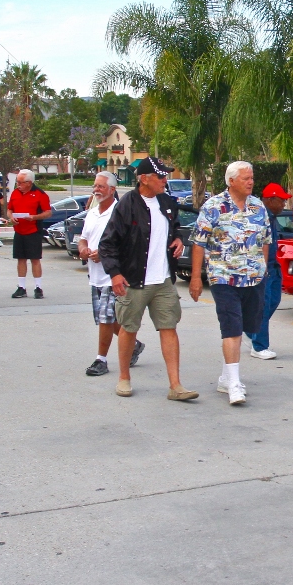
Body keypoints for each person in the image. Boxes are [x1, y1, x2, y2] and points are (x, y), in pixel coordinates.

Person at [97, 156, 196, 402]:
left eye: (166, 175)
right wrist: (115, 274)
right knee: (129, 328)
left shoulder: (167, 202)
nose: (165, 180)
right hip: (134, 279)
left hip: (163, 280)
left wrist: (178, 239)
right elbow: (107, 244)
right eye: (160, 176)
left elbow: (174, 227)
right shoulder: (127, 204)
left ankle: (175, 385)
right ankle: (124, 378)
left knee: (169, 327)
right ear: (143, 179)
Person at [188, 161, 271, 406]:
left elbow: (265, 239)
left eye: (252, 178)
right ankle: (234, 384)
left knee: (245, 326)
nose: (251, 182)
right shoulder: (213, 206)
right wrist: (195, 277)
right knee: (231, 327)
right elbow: (198, 243)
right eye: (246, 178)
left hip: (253, 277)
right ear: (231, 181)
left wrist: (263, 268)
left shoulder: (258, 206)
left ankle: (226, 377)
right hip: (223, 276)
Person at [79, 172, 144, 376]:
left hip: (113, 275)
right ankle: (134, 344)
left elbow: (130, 244)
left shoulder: (120, 212)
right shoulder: (92, 213)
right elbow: (83, 238)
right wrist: (83, 249)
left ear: (112, 190)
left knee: (105, 318)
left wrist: (105, 254)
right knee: (108, 318)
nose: (96, 190)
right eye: (95, 186)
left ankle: (101, 360)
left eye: (101, 186)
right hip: (95, 276)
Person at [244, 182, 288, 360]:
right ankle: (260, 346)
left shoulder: (272, 217)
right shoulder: (261, 216)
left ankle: (251, 330)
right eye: (281, 200)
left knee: (273, 301)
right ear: (271, 200)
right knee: (262, 305)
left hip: (273, 265)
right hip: (263, 267)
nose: (284, 204)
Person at [6, 169, 52, 298]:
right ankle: (21, 287)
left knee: (35, 259)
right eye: (17, 182)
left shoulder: (40, 194)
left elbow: (48, 212)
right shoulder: (15, 193)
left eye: (20, 182)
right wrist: (11, 217)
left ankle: (38, 287)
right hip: (19, 231)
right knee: (21, 259)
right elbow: (9, 209)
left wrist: (34, 217)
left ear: (29, 183)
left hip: (33, 231)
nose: (18, 185)